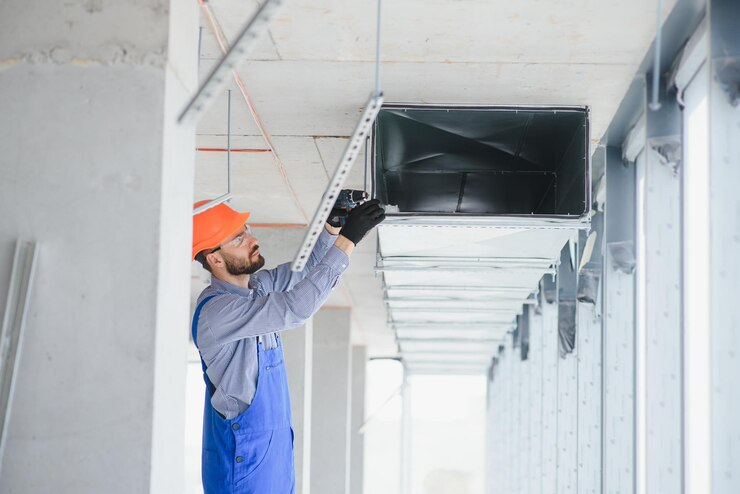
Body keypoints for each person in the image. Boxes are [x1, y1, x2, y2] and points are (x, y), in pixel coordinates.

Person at [190, 195, 385, 494]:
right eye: (240, 237)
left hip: (271, 458)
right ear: (215, 258)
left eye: (247, 229)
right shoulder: (217, 313)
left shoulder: (255, 289)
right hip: (243, 467)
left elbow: (301, 273)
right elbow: (295, 308)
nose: (252, 238)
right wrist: (348, 241)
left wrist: (333, 229)